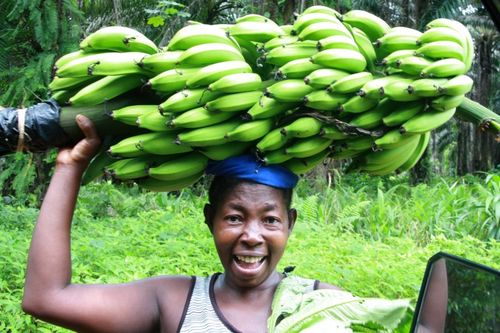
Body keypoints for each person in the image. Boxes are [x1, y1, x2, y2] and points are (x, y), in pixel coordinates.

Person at [22, 115, 339, 333]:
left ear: (290, 223)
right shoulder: (174, 301)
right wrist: (70, 167)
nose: (252, 236)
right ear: (209, 219)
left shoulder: (325, 304)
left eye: (270, 220)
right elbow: (45, 298)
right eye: (234, 217)